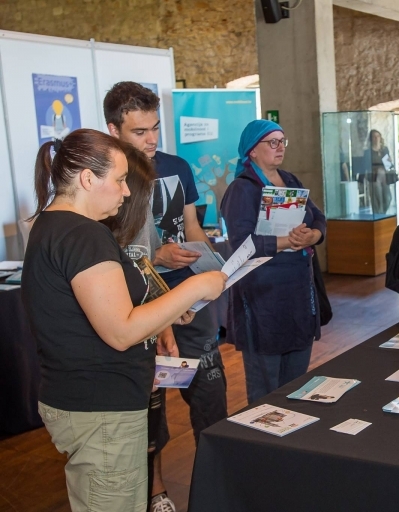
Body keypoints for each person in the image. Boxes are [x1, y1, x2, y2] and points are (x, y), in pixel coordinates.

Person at [21, 129, 226, 512]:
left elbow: (106, 313)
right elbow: (120, 330)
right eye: (118, 180)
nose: (126, 192)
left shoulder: (55, 224)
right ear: (87, 179)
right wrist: (196, 287)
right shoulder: (84, 235)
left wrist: (165, 313)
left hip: (89, 401)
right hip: (101, 408)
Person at [104, 81, 228, 512]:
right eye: (140, 131)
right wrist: (156, 256)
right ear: (114, 130)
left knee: (211, 395)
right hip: (138, 304)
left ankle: (219, 484)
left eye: (155, 127)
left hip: (190, 298)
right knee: (149, 408)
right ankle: (155, 491)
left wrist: (214, 265)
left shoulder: (177, 166)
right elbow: (109, 251)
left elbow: (191, 227)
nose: (152, 139)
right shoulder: (107, 179)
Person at [220, 119, 326, 404]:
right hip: (262, 298)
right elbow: (241, 244)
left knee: (296, 385)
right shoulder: (242, 189)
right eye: (272, 142)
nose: (280, 147)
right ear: (252, 151)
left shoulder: (290, 180)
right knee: (265, 390)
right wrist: (289, 241)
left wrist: (313, 235)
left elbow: (318, 217)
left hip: (297, 295)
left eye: (282, 141)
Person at [100, 145, 180, 510]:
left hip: (145, 346)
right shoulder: (94, 240)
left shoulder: (138, 219)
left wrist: (164, 326)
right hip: (115, 366)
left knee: (153, 426)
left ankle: (154, 489)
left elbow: (146, 276)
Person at [366, 129, 394, 215]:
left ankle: (383, 214)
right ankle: (379, 216)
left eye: (378, 136)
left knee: (388, 198)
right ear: (371, 139)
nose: (376, 138)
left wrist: (390, 162)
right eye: (374, 137)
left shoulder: (384, 150)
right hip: (375, 177)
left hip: (384, 177)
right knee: (377, 200)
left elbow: (389, 165)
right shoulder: (368, 152)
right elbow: (366, 166)